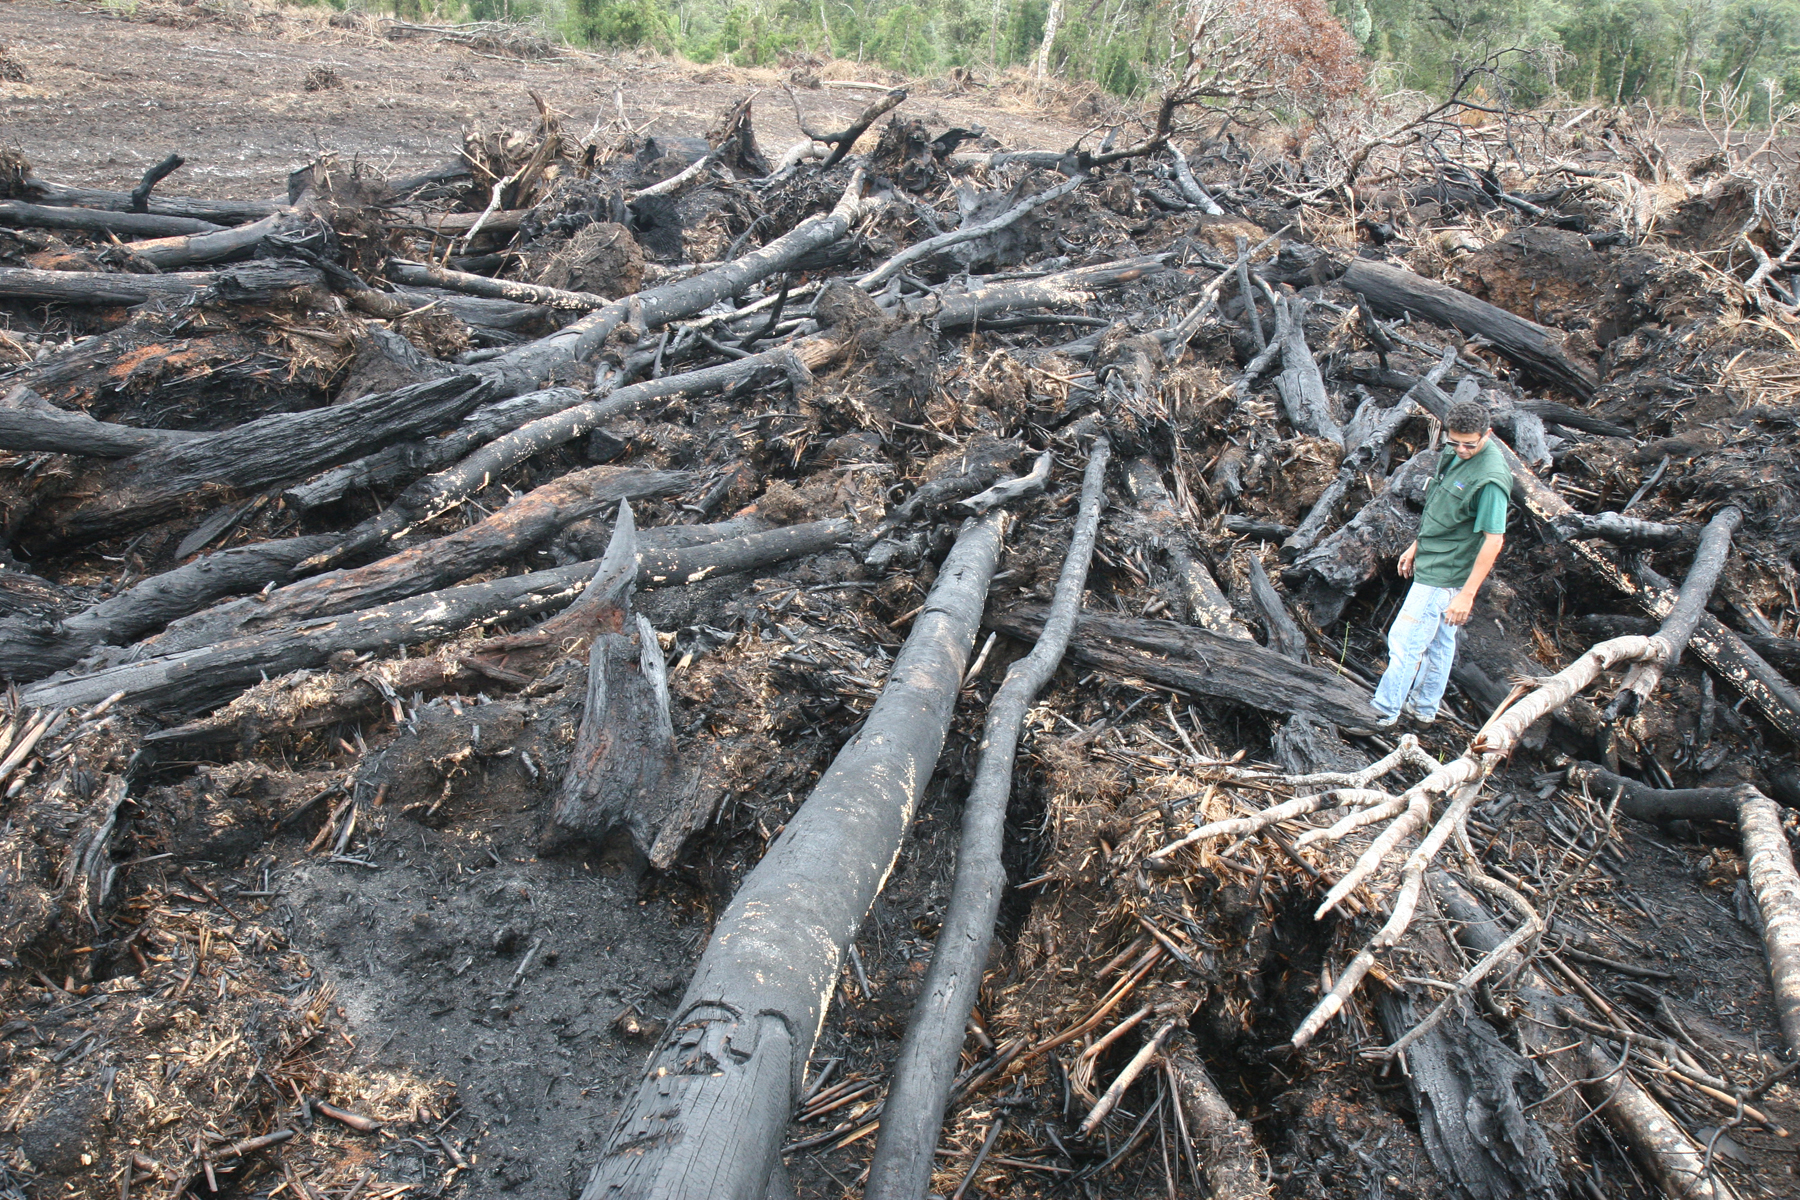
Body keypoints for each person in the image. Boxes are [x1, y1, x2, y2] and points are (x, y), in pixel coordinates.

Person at [1372, 399, 1512, 727]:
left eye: (1469, 444)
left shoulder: (1491, 480)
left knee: (1405, 640)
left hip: (1447, 571)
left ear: (1487, 434)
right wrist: (1416, 545)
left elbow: (1494, 540)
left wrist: (1466, 595)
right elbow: (1444, 510)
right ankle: (1423, 710)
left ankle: (1382, 711)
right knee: (1439, 640)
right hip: (1434, 553)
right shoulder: (1452, 453)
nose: (1461, 449)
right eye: (1455, 441)